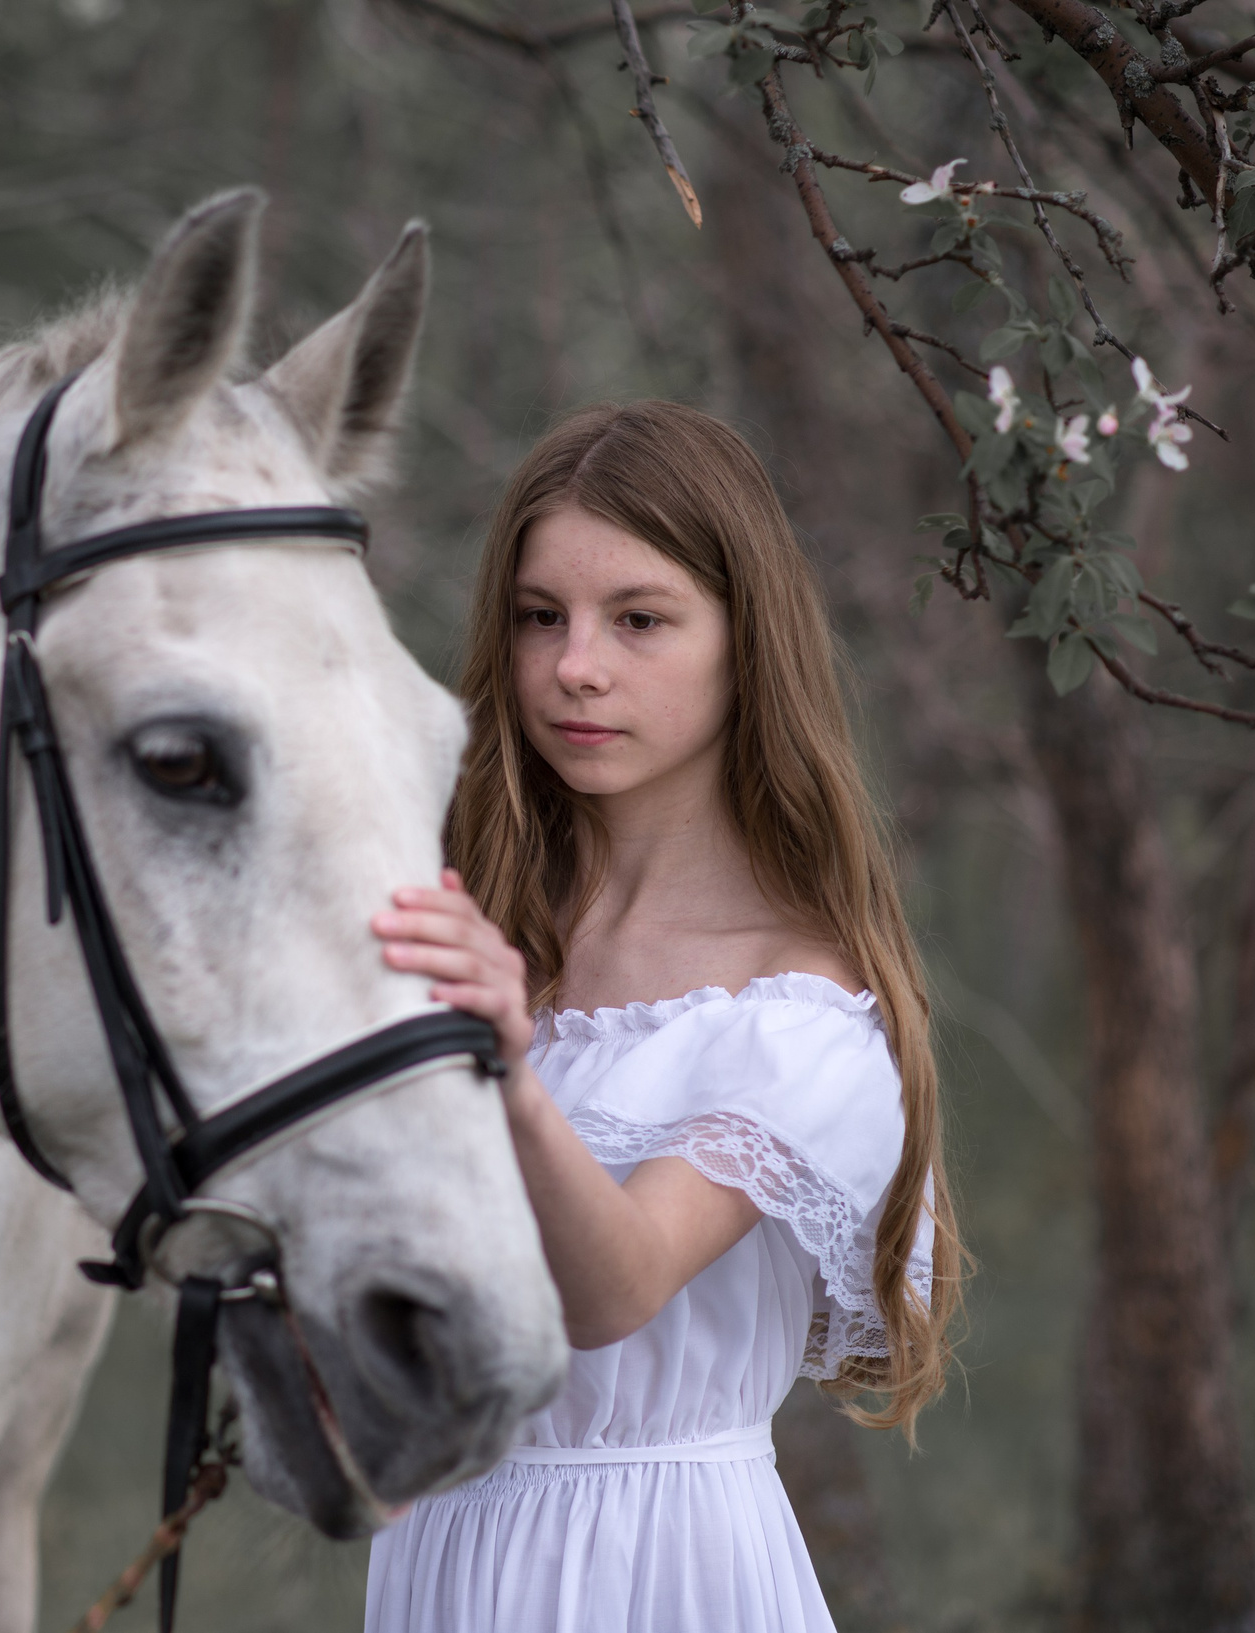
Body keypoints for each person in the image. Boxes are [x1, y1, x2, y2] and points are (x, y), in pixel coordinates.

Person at [364, 401, 960, 1633]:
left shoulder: (801, 1013)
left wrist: (503, 1069)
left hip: (653, 1565)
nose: (576, 664)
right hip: (442, 1559)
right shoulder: (474, 923)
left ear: (747, 640)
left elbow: (614, 1289)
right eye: (542, 617)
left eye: (638, 619)